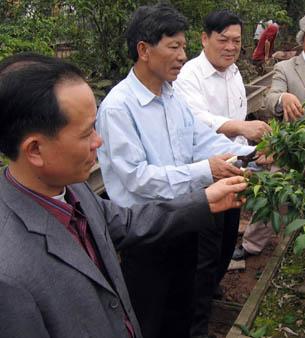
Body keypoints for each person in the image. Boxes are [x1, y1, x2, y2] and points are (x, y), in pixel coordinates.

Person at [0, 53, 248, 338]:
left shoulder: (71, 189)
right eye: (85, 134)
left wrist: (205, 201)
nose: (99, 140)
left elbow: (126, 222)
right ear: (34, 150)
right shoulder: (9, 275)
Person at [95, 4, 258, 338]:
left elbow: (202, 142)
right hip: (147, 234)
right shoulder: (118, 108)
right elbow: (136, 180)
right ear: (144, 50)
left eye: (184, 47)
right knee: (150, 317)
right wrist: (205, 172)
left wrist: (251, 154)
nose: (184, 55)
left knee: (183, 309)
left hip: (185, 220)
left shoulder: (172, 97)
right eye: (174, 46)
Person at [173, 9, 272, 334]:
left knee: (229, 236)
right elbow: (195, 119)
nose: (230, 47)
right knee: (205, 247)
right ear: (205, 39)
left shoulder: (233, 74)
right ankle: (196, 322)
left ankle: (211, 288)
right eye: (223, 40)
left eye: (237, 41)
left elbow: (241, 130)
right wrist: (241, 128)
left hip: (234, 168)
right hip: (205, 174)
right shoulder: (190, 75)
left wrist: (255, 154)